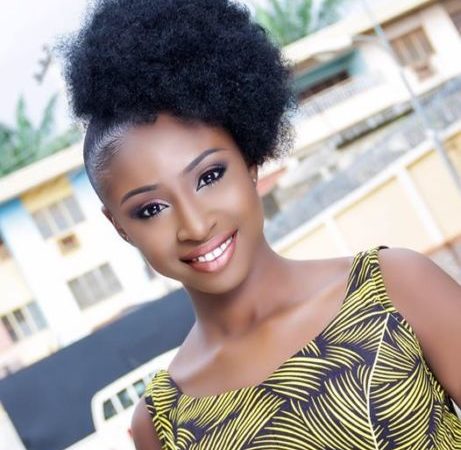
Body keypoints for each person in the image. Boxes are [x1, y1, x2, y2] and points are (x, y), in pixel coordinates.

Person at [61, 0, 461, 448]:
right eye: (151, 209)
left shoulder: (393, 286)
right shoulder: (161, 424)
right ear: (119, 227)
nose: (195, 225)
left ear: (250, 162)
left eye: (209, 176)